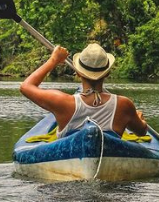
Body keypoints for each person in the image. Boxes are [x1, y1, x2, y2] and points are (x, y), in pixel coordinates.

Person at [19, 42, 148, 137]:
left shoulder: (62, 102)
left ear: (78, 73)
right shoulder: (124, 105)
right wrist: (139, 119)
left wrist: (54, 60)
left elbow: (26, 87)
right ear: (107, 73)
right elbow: (141, 132)